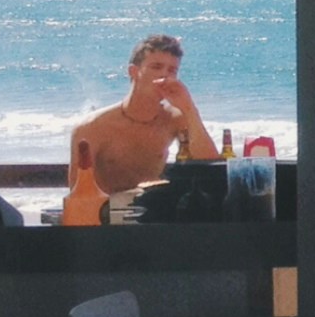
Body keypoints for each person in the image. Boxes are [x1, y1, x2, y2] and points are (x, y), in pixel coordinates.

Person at [69, 33, 220, 196]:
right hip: (106, 215)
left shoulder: (175, 119)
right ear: (133, 72)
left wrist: (189, 108)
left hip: (152, 211)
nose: (164, 75)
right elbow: (77, 193)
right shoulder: (92, 127)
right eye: (156, 67)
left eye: (172, 70)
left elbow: (211, 166)